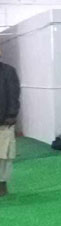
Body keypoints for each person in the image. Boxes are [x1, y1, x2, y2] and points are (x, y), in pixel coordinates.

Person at [0, 46, 20, 197]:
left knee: (4, 155)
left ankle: (2, 184)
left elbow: (14, 94)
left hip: (4, 121)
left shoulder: (8, 71)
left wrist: (11, 115)